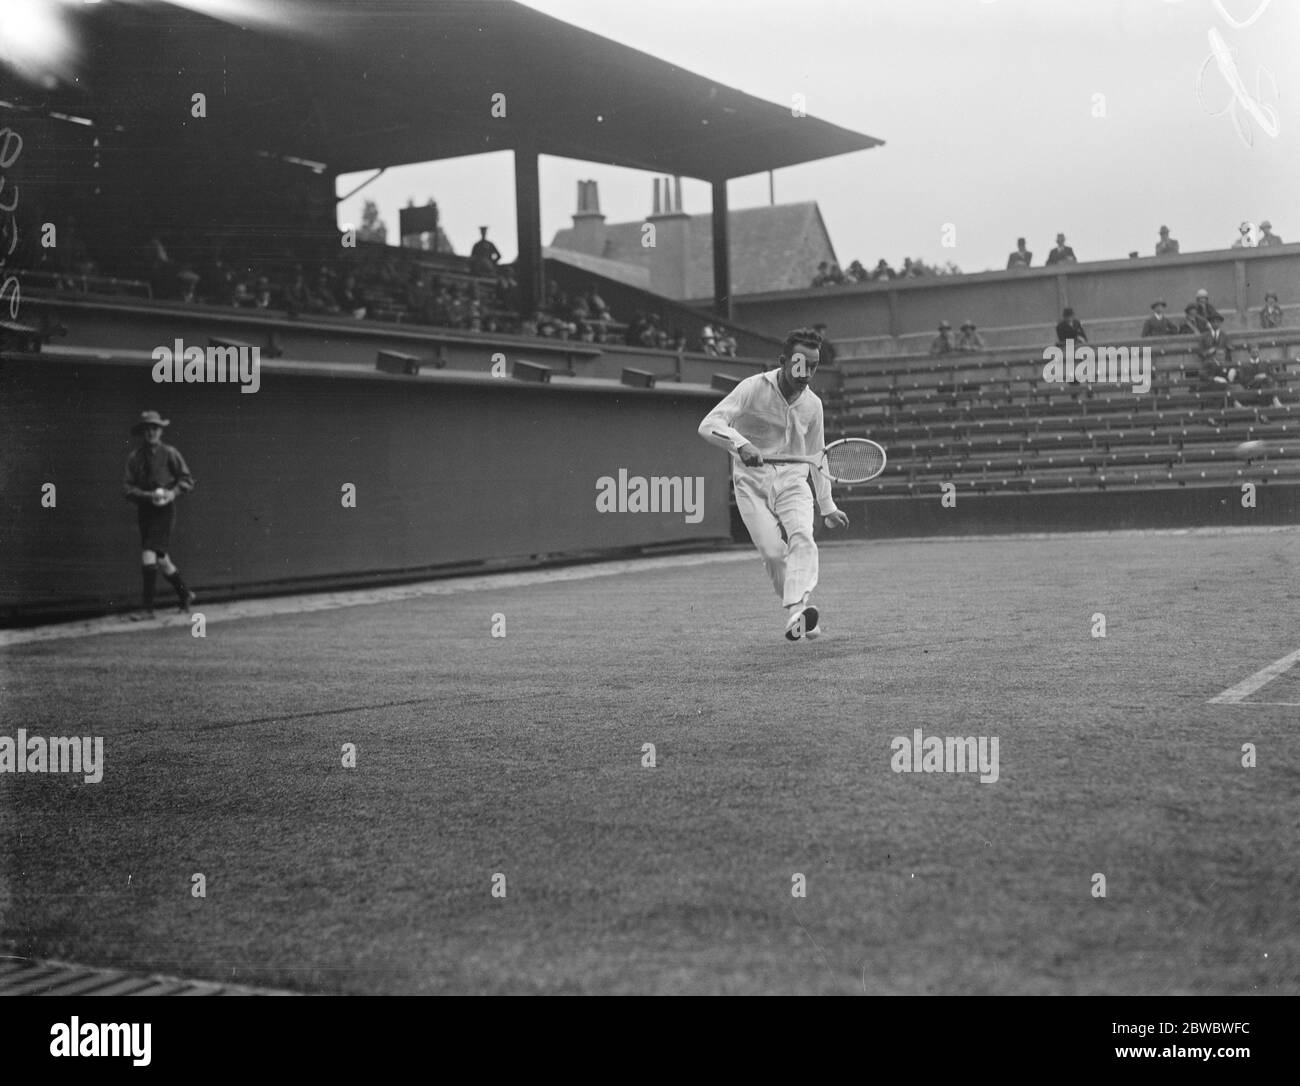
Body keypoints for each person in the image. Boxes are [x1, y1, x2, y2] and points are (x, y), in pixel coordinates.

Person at [697, 328, 848, 641]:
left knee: (803, 535)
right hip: (750, 481)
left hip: (793, 480)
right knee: (772, 553)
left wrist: (828, 505)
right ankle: (799, 613)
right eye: (798, 363)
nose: (805, 372)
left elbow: (816, 456)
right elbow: (709, 424)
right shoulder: (752, 388)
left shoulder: (813, 405)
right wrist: (740, 444)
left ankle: (796, 610)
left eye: (813, 366)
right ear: (782, 361)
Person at [122, 411, 197, 620]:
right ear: (142, 433)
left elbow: (188, 480)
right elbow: (127, 489)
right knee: (162, 559)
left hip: (164, 511)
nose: (151, 433)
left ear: (161, 431)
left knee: (148, 553)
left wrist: (171, 493)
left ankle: (147, 609)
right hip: (145, 510)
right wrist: (149, 495)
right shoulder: (134, 458)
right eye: (146, 430)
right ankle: (185, 594)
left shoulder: (170, 453)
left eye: (154, 429)